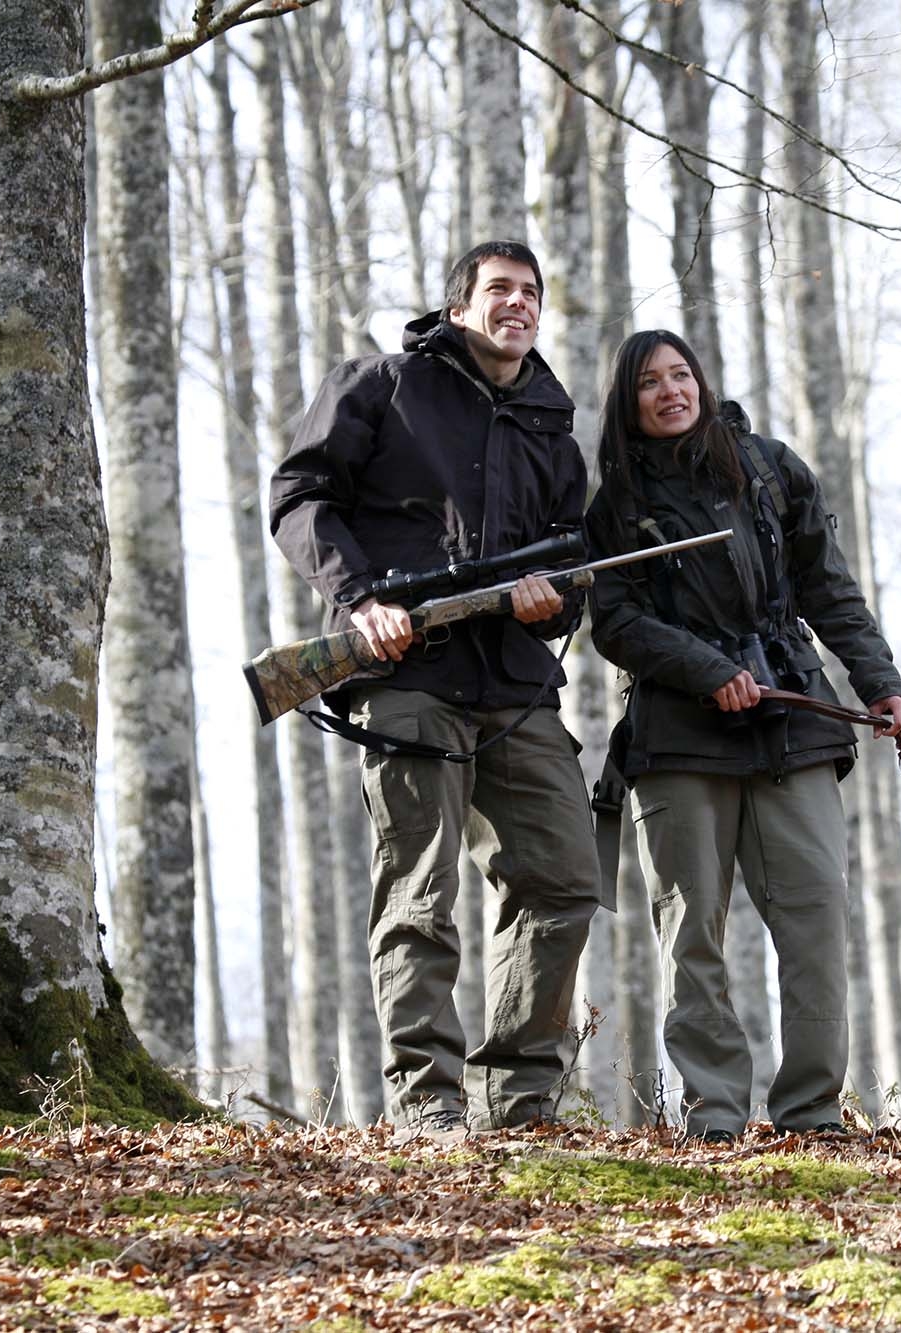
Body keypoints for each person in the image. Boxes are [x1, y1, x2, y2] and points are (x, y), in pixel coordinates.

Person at [269, 240, 599, 1143]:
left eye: (531, 292)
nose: (518, 305)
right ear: (458, 307)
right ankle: (427, 1104)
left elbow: (575, 565)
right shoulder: (379, 384)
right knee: (419, 895)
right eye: (499, 290)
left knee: (564, 879)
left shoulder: (552, 426)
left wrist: (547, 605)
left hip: (518, 687)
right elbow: (299, 499)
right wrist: (362, 596)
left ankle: (522, 1102)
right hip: (407, 675)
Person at [585, 329, 901, 1141]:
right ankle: (715, 1117)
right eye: (650, 384)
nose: (671, 391)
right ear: (628, 404)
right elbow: (616, 622)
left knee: (816, 921)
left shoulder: (770, 468)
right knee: (691, 933)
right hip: (677, 740)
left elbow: (828, 589)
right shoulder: (613, 506)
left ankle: (811, 1114)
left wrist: (883, 683)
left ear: (700, 381)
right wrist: (705, 669)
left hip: (793, 723)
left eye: (680, 375)